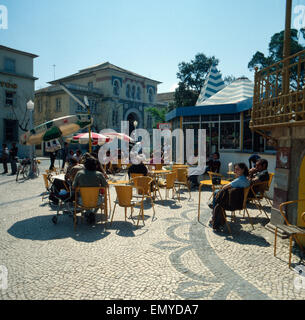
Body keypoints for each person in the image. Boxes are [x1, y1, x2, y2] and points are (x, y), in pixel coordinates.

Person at [209, 163, 250, 232]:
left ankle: (214, 213)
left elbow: (225, 187)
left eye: (237, 169)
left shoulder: (239, 180)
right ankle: (214, 209)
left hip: (232, 202)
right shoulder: (245, 179)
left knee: (216, 192)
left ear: (243, 170)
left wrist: (225, 186)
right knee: (218, 194)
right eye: (235, 169)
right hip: (239, 200)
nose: (235, 171)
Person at [73, 156, 108, 224]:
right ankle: (92, 213)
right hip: (96, 200)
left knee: (83, 200)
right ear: (96, 165)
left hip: (82, 201)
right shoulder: (99, 174)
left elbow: (73, 187)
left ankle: (88, 212)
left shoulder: (79, 173)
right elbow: (106, 186)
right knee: (103, 198)